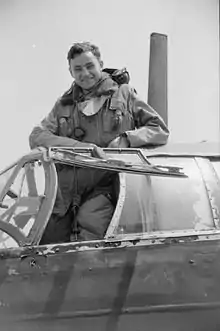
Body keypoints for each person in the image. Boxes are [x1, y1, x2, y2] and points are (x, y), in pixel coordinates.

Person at [29, 42, 169, 245]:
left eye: (89, 66)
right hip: (66, 196)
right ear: (70, 71)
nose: (84, 73)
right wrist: (82, 149)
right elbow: (37, 136)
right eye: (77, 69)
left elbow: (159, 129)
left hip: (109, 188)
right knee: (43, 244)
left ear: (100, 64)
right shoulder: (63, 106)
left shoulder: (124, 94)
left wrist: (127, 139)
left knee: (90, 226)